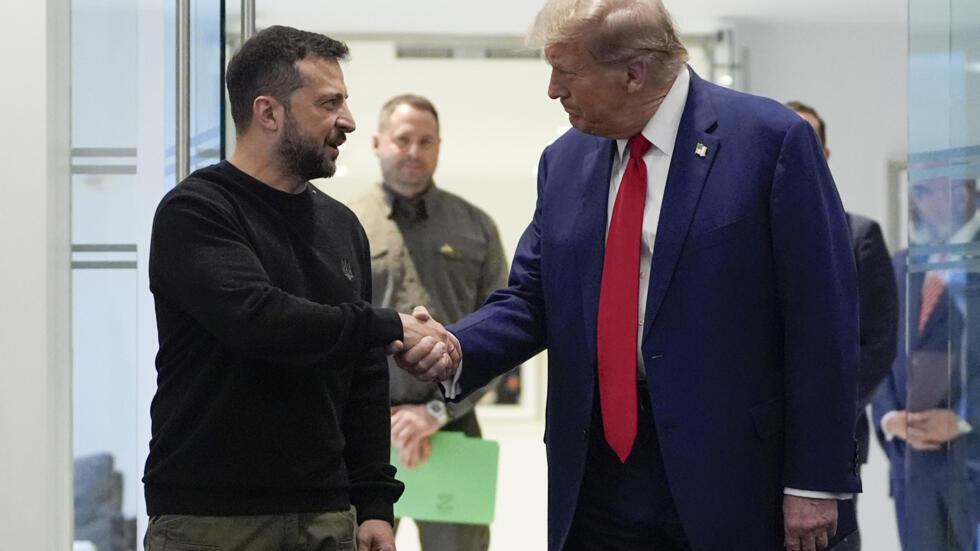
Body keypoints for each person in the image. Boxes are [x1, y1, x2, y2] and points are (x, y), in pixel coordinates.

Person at [397, 1, 863, 550]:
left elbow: (822, 318)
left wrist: (814, 480)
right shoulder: (565, 161)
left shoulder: (769, 141)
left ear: (633, 73)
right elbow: (531, 297)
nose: (552, 89)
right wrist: (457, 346)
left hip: (733, 474)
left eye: (566, 72)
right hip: (598, 473)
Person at [142, 26, 456, 551]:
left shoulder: (342, 225)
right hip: (212, 521)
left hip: (327, 516)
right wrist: (387, 325)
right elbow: (259, 320)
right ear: (269, 113)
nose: (349, 122)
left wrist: (375, 503)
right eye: (329, 103)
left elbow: (362, 376)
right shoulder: (196, 211)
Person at [347, 94, 508, 551]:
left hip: (454, 430)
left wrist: (435, 413)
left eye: (425, 140)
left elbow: (500, 334)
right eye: (402, 139)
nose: (414, 151)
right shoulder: (346, 224)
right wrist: (383, 416)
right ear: (378, 142)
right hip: (366, 437)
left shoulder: (476, 227)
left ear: (439, 146)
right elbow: (331, 330)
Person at [787, 100, 899, 550]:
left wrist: (822, 417)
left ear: (825, 154)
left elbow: (878, 344)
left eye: (807, 141)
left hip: (833, 443)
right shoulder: (744, 236)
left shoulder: (859, 236)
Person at [872, 177, 980, 550]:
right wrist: (889, 418)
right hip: (911, 469)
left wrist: (965, 416)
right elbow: (876, 349)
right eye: (916, 190)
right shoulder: (900, 265)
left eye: (931, 187)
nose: (921, 200)